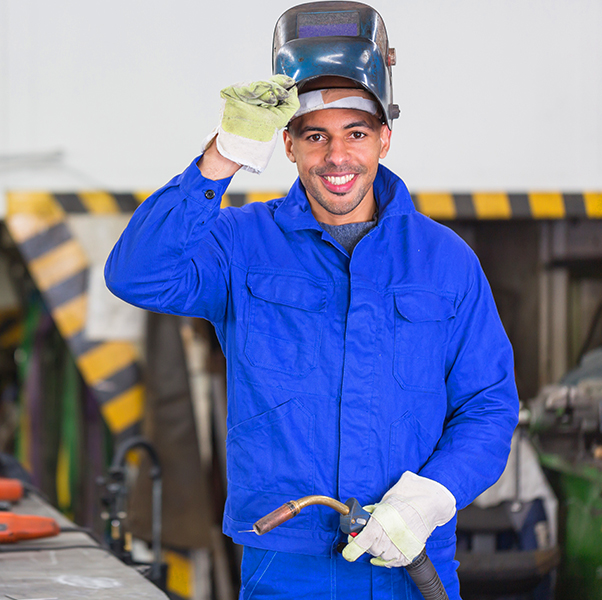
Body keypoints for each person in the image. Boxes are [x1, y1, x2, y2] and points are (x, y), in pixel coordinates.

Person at [105, 3, 519, 598]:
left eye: (356, 133)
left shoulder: (444, 260)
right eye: (315, 136)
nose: (337, 156)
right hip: (286, 560)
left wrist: (436, 495)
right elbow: (137, 275)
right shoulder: (240, 243)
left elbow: (488, 404)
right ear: (290, 145)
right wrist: (223, 155)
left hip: (412, 555)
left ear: (385, 139)